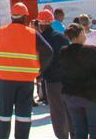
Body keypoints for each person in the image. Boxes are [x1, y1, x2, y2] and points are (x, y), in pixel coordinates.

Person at [0, 2, 53, 139]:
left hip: (4, 81)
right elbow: (48, 52)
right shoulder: (32, 34)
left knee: (3, 116)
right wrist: (40, 70)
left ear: (12, 17)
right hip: (26, 81)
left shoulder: (0, 32)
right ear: (25, 17)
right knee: (23, 117)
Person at [60, 24, 96, 139]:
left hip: (71, 96)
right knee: (95, 132)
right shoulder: (92, 51)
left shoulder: (63, 52)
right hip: (93, 96)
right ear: (80, 34)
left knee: (79, 130)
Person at [37, 8, 71, 139]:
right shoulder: (62, 37)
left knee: (57, 112)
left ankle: (62, 136)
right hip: (66, 78)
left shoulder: (40, 39)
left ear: (40, 24)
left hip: (52, 80)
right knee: (69, 108)